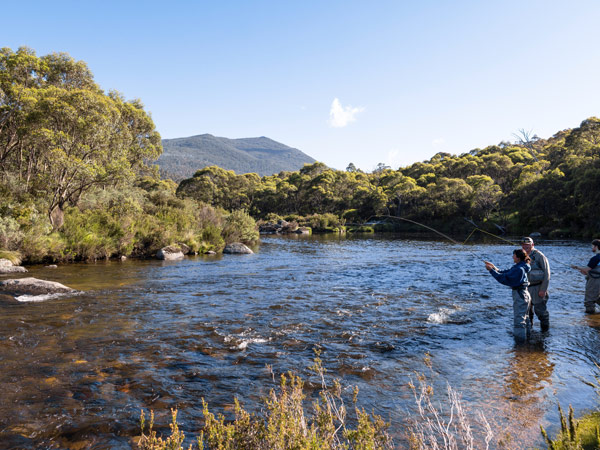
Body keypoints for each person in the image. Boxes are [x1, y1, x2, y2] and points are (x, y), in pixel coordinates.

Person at [485, 249, 532, 343]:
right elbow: (506, 272)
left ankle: (520, 345)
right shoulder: (521, 265)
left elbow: (504, 279)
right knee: (525, 318)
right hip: (524, 294)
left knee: (519, 321)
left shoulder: (519, 269)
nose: (512, 257)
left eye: (513, 255)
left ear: (518, 258)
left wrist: (491, 271)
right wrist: (494, 268)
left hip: (520, 295)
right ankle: (527, 340)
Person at [520, 237, 550, 332]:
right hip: (525, 288)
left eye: (528, 245)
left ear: (532, 245)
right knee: (527, 313)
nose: (525, 247)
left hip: (538, 288)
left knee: (540, 312)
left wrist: (543, 289)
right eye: (524, 245)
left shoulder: (539, 256)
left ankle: (545, 332)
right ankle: (529, 332)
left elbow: (547, 274)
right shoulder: (521, 256)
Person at [571, 239, 600, 313]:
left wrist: (576, 267)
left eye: (592, 246)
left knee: (589, 301)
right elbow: (591, 270)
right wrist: (585, 271)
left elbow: (587, 269)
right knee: (597, 297)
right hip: (596, 279)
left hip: (594, 281)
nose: (592, 248)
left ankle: (591, 319)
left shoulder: (595, 258)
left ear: (596, 247)